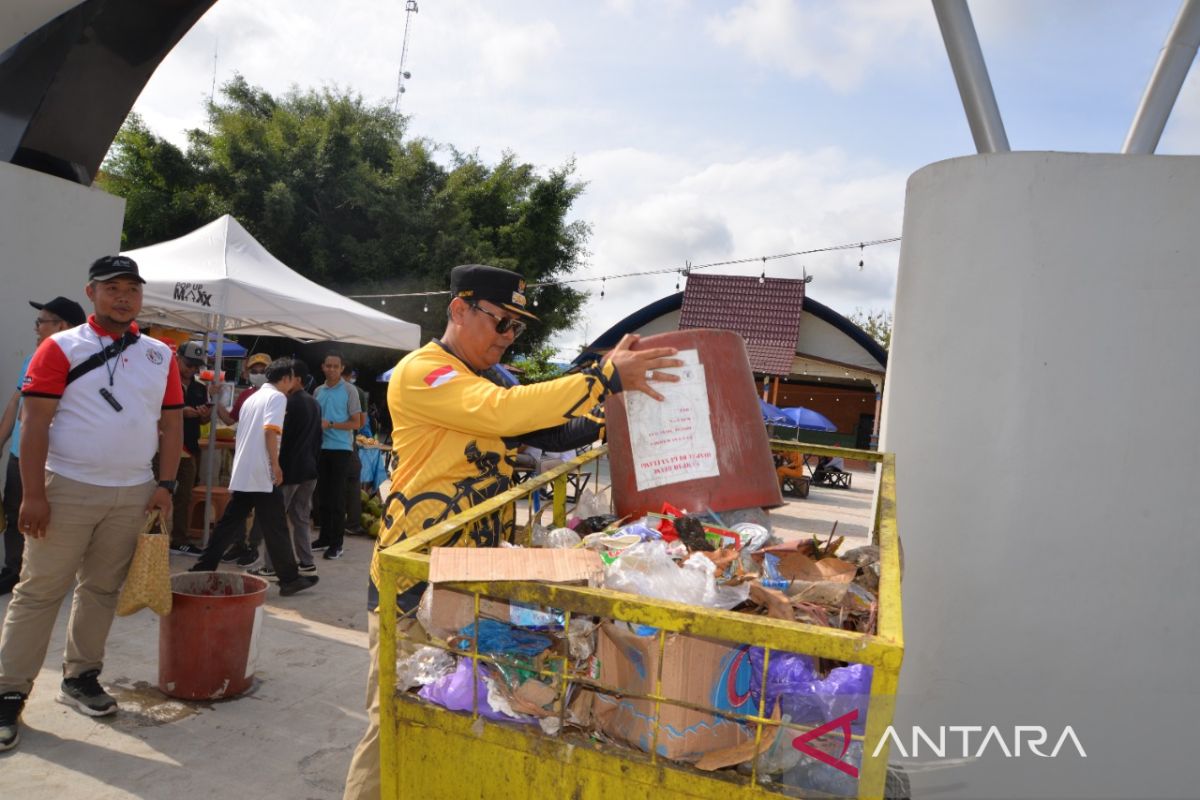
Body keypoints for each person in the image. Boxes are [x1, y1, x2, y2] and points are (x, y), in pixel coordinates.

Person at [340, 264, 681, 799]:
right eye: (500, 322)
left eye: (515, 329)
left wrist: (610, 403)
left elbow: (547, 425)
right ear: (458, 309)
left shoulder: (484, 379)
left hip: (470, 579)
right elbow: (501, 413)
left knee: (455, 709)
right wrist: (602, 377)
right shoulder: (423, 372)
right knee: (395, 715)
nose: (506, 338)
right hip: (413, 583)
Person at [0, 255, 183, 752]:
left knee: (101, 588)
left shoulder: (159, 355)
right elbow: (33, 424)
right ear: (91, 293)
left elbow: (171, 424)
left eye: (132, 289)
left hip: (132, 492)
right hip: (67, 488)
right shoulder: (61, 346)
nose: (123, 296)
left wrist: (165, 484)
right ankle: (9, 691)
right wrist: (34, 494)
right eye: (112, 287)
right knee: (38, 591)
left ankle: (81, 676)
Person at [188, 358, 318, 598]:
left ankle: (203, 566)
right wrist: (276, 466)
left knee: (230, 523)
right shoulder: (277, 398)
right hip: (261, 472)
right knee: (276, 526)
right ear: (287, 379)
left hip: (246, 470)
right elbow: (271, 432)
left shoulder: (252, 397)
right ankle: (289, 578)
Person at [0, 296, 86, 595]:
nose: (36, 328)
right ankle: (14, 570)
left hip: (56, 461)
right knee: (16, 515)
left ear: (62, 325)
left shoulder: (83, 361)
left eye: (42, 322)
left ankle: (44, 577)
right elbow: (16, 401)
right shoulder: (35, 357)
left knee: (52, 522)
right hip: (20, 455)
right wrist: (2, 440)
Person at [249, 359, 321, 578]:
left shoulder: (288, 403)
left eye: (288, 377)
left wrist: (275, 466)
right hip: (310, 469)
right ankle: (307, 561)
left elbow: (280, 439)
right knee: (300, 517)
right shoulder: (313, 402)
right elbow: (318, 439)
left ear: (295, 379)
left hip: (290, 470)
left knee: (276, 519)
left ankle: (270, 566)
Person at [214, 351, 273, 565]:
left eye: (263, 371)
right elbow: (230, 420)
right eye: (254, 370)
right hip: (243, 455)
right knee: (237, 502)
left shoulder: (275, 396)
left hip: (264, 457)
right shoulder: (245, 395)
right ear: (248, 372)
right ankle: (238, 543)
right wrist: (215, 401)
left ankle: (253, 545)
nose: (258, 374)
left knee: (261, 505)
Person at [311, 351, 362, 560]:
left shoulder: (350, 391)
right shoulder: (317, 391)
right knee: (322, 496)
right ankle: (324, 537)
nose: (331, 369)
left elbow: (357, 423)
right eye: (328, 365)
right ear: (323, 367)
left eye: (336, 366)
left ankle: (337, 544)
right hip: (321, 448)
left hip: (341, 449)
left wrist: (330, 424)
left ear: (341, 369)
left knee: (337, 497)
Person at [164, 341, 210, 556]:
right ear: (177, 359)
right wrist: (182, 412)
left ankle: (179, 539)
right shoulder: (163, 382)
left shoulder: (201, 388)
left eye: (195, 366)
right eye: (188, 364)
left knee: (184, 497)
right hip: (164, 448)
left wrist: (203, 414)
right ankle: (153, 537)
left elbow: (204, 421)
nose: (191, 370)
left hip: (190, 448)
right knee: (160, 493)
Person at [343, 366, 370, 537]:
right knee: (353, 480)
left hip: (325, 442)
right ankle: (352, 523)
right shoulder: (357, 392)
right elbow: (361, 422)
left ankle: (320, 519)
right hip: (347, 441)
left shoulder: (323, 390)